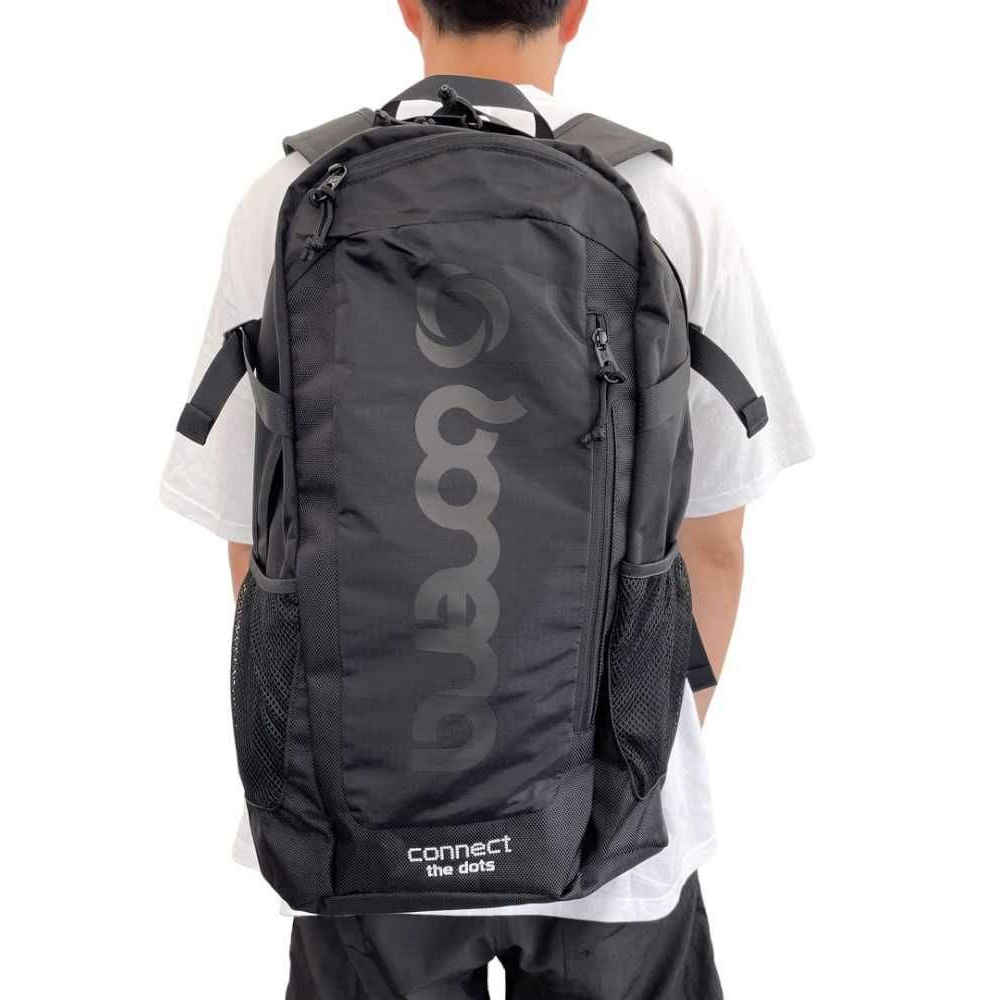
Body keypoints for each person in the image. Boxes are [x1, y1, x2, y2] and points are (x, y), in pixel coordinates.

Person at [161, 1, 813, 995]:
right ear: (576, 11)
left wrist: (347, 736)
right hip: (613, 843)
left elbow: (256, 537)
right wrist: (639, 740)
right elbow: (713, 542)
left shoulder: (287, 197)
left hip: (358, 833)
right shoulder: (668, 205)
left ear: (407, 6)